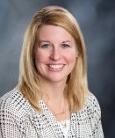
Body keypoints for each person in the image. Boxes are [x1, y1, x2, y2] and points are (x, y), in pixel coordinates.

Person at [0, 5, 104, 138]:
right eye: (45, 45)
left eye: (65, 45)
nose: (55, 56)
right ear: (32, 52)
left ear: (78, 52)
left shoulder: (89, 104)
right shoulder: (11, 110)